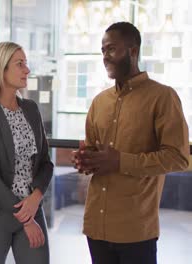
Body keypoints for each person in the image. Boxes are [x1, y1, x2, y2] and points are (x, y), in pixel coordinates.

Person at [72, 22, 189, 264]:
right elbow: (95, 152)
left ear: (133, 51)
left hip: (135, 230)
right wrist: (85, 161)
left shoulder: (162, 97)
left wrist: (120, 161)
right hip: (96, 226)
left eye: (111, 49)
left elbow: (178, 157)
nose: (105, 56)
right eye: (102, 50)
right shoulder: (99, 102)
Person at [0, 41, 53, 264]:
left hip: (32, 209)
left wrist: (35, 198)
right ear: (0, 69)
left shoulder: (31, 108)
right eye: (20, 64)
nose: (27, 69)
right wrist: (26, 219)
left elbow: (46, 163)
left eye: (26, 63)